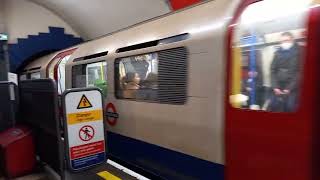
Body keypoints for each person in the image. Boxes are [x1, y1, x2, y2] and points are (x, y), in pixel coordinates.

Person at [269, 32, 301, 112]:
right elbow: (272, 70)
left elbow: (299, 72)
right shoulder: (277, 53)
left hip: (292, 86)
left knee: (290, 107)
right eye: (282, 41)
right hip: (278, 84)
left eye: (287, 40)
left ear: (292, 40)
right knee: (273, 105)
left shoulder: (299, 52)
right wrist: (275, 86)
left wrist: (289, 88)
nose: (284, 43)